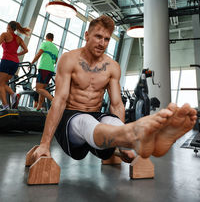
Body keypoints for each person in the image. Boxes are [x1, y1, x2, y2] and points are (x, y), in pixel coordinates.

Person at [32, 15, 197, 163]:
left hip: (97, 122)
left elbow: (117, 105)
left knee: (112, 122)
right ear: (86, 35)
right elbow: (59, 101)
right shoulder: (68, 59)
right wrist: (44, 144)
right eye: (98, 36)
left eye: (106, 39)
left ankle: (136, 140)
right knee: (85, 121)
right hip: (70, 123)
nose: (102, 43)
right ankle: (134, 135)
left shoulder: (112, 67)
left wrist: (119, 148)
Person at [0, 21, 31, 110]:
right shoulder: (18, 39)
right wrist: (16, 55)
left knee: (0, 84)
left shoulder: (5, 34)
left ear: (9, 27)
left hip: (6, 61)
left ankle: (5, 106)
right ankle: (14, 95)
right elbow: (26, 50)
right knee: (2, 83)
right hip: (15, 63)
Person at [31, 33, 58, 111]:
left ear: (46, 37)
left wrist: (32, 63)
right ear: (52, 39)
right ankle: (38, 107)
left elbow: (38, 54)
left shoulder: (45, 44)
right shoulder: (56, 48)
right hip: (50, 70)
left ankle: (53, 100)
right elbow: (56, 60)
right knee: (43, 90)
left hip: (44, 68)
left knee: (38, 89)